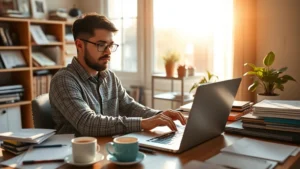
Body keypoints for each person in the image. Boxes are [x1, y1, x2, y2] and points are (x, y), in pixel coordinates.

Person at [49, 13, 186, 136]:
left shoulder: (109, 77)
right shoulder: (64, 80)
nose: (108, 52)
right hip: (76, 158)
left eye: (110, 45)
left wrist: (159, 115)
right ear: (79, 45)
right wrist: (143, 123)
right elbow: (88, 123)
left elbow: (130, 107)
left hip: (108, 149)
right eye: (101, 45)